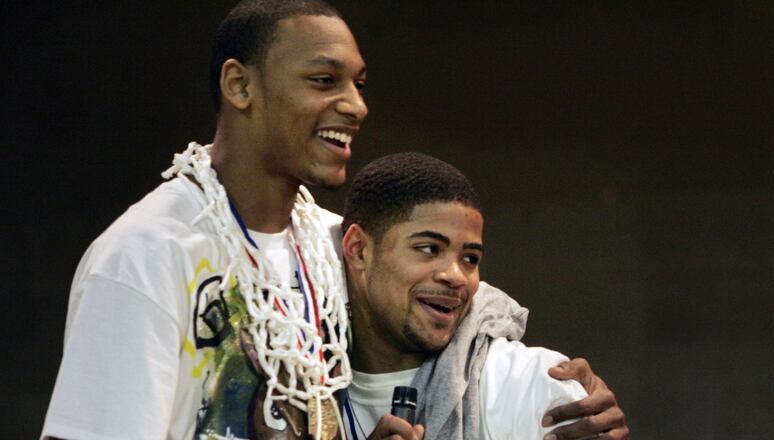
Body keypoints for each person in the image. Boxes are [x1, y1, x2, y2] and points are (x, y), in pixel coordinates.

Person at [42, 1, 623, 439]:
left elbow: (454, 299)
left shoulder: (325, 243)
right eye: (324, 81)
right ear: (240, 85)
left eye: (358, 84)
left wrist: (558, 385)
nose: (356, 105)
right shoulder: (145, 258)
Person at [340, 152, 629, 440]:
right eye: (429, 249)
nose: (456, 275)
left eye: (470, 258)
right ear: (358, 250)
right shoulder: (313, 390)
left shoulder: (533, 384)